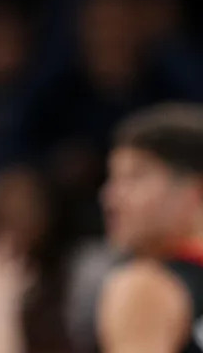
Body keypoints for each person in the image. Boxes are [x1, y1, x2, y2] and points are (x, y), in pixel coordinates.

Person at [98, 103, 203, 353]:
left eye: (134, 177)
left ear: (195, 191)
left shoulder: (146, 288)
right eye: (114, 179)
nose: (111, 197)